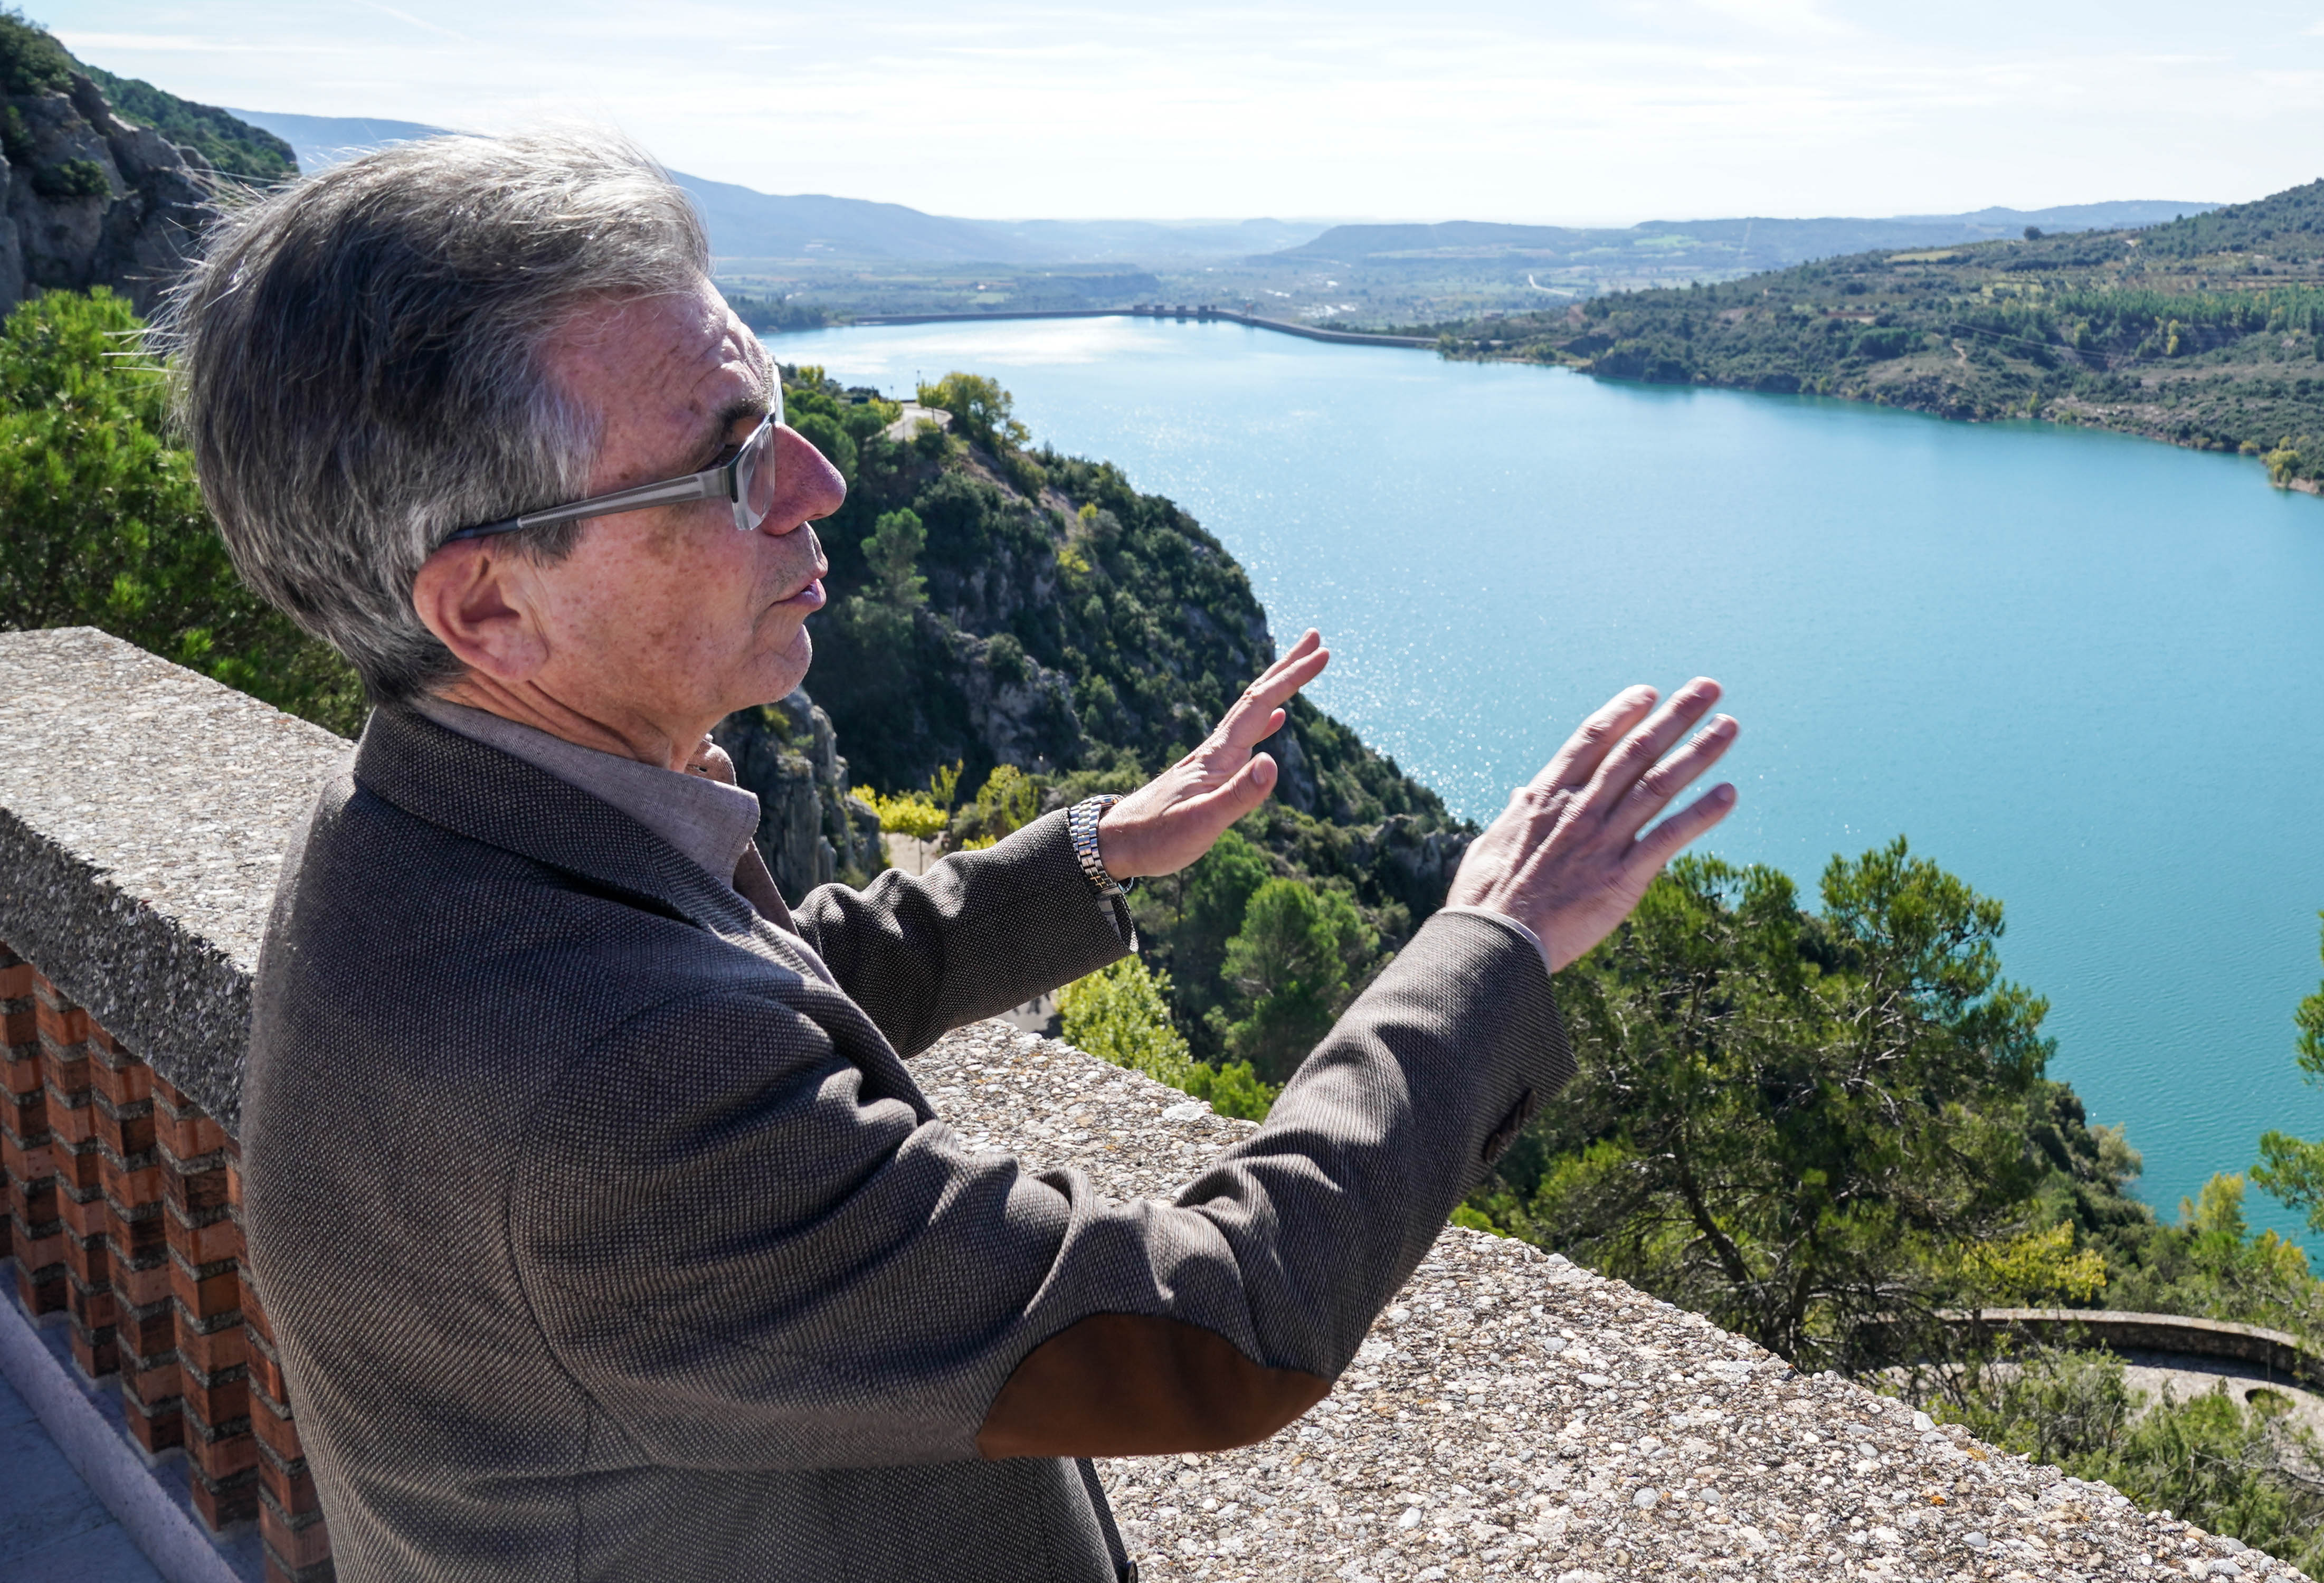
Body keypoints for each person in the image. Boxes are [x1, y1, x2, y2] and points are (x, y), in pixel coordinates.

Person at [164, 131, 1740, 1583]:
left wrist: (1091, 860)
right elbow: (1218, 1326)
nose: (818, 484)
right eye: (729, 462)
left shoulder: (426, 832)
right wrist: (1489, 943)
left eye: (776, 415)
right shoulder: (599, 1097)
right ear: (490, 606)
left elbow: (753, 994)